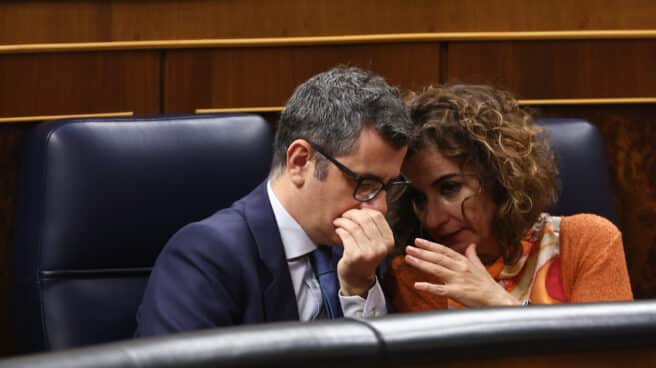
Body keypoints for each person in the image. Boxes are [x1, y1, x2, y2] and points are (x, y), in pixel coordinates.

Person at [135, 66, 414, 336]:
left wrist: (360, 288)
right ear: (300, 162)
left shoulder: (365, 256)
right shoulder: (207, 257)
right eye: (365, 184)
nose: (380, 208)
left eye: (388, 187)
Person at [386, 84, 633, 311]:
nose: (433, 220)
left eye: (450, 188)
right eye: (420, 199)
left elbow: (610, 357)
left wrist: (500, 304)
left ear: (498, 176)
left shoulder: (586, 242)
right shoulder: (418, 276)